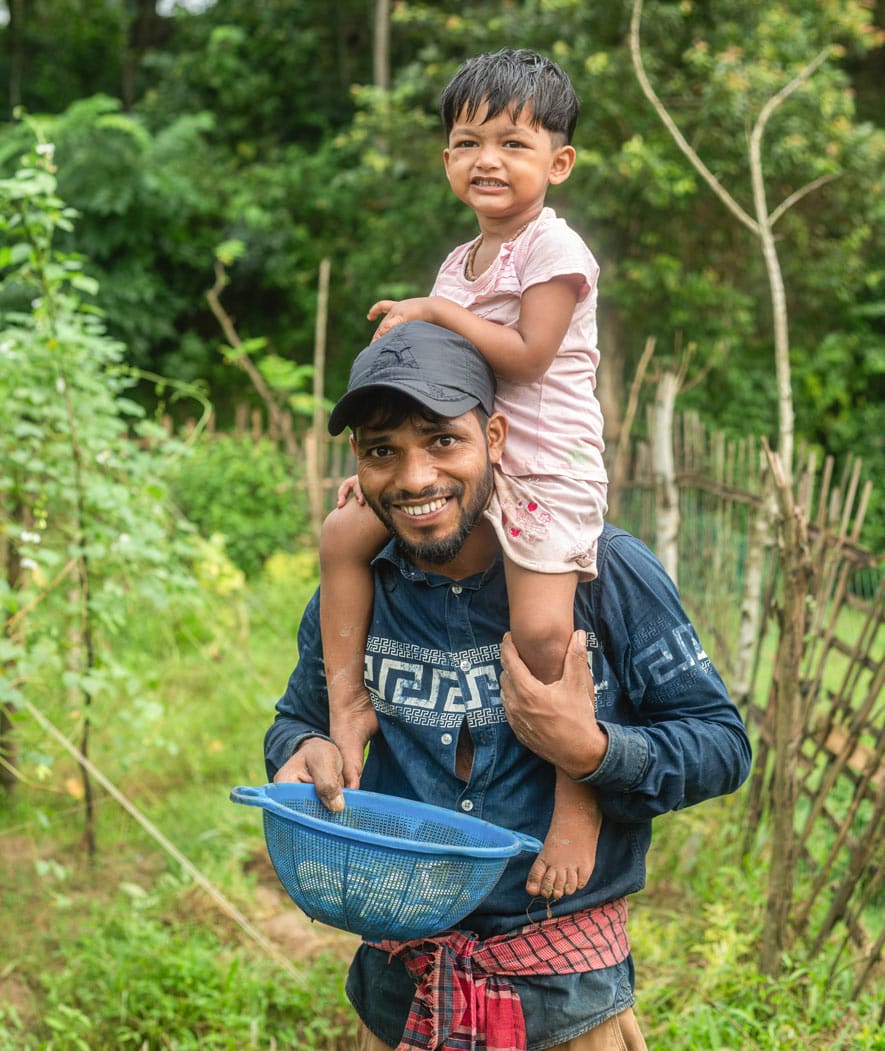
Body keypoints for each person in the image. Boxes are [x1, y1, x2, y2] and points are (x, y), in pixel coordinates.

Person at [265, 321, 752, 1051]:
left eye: (441, 440)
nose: (414, 477)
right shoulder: (360, 592)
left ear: (493, 436)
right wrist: (304, 748)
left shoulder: (602, 572)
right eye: (380, 452)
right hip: (400, 997)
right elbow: (296, 717)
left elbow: (720, 743)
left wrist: (590, 752)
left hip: (563, 1008)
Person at [320, 48, 608, 902]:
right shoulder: (460, 263)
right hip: (468, 460)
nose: (487, 159)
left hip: (545, 464)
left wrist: (438, 311)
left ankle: (577, 794)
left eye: (514, 143)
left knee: (544, 632)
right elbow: (426, 380)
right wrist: (381, 466)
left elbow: (528, 352)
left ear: (556, 163)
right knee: (342, 535)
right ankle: (346, 704)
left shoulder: (553, 248)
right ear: (446, 158)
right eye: (467, 140)